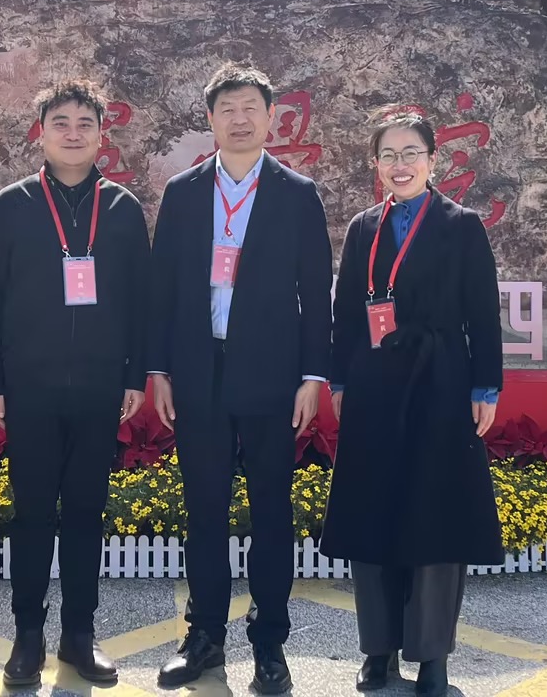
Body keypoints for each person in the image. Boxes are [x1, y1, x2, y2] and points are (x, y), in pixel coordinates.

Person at [148, 63, 333, 695]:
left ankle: (270, 643)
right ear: (210, 119)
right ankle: (203, 636)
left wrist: (313, 375)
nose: (240, 118)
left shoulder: (297, 193)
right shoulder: (183, 192)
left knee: (271, 512)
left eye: (251, 106)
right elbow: (163, 287)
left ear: (271, 115)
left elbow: (316, 290)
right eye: (227, 108)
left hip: (272, 375)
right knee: (204, 509)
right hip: (198, 371)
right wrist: (159, 369)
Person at [0, 79, 152, 687]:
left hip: (100, 388)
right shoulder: (12, 205)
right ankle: (27, 635)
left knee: (86, 513)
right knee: (32, 514)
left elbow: (140, 302)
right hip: (30, 387)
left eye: (84, 124)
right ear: (40, 133)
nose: (73, 134)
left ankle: (79, 635)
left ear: (102, 135)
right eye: (61, 123)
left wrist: (133, 374)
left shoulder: (122, 209)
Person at [318, 112, 505, 697]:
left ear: (431, 160)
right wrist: (340, 381)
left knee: (435, 515)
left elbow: (483, 312)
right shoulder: (363, 228)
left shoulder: (461, 225)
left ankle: (432, 658)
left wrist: (485, 387)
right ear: (375, 164)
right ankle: (377, 651)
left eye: (411, 153)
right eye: (388, 155)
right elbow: (347, 312)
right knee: (372, 512)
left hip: (441, 382)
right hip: (374, 384)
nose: (400, 165)